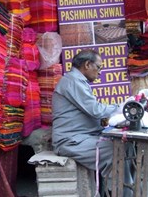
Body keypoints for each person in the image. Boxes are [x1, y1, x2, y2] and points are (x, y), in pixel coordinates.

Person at [51, 49, 120, 196]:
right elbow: (95, 109)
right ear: (88, 64)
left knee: (121, 146)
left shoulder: (76, 81)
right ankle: (121, 192)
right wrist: (120, 108)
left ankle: (121, 190)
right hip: (70, 141)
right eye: (99, 67)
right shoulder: (72, 81)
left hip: (81, 138)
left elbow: (90, 112)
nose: (100, 72)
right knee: (116, 151)